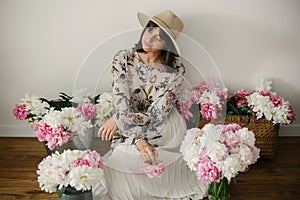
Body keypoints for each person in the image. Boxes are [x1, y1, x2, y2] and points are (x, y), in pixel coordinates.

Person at [94, 9, 208, 200]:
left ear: (167, 44)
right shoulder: (122, 59)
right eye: (149, 30)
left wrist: (119, 120)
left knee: (144, 158)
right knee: (123, 158)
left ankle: (176, 178)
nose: (150, 38)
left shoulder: (175, 70)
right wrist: (138, 139)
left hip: (164, 126)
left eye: (159, 37)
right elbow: (122, 102)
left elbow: (157, 114)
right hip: (130, 124)